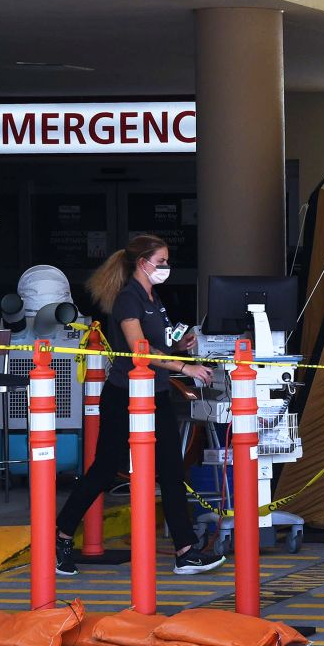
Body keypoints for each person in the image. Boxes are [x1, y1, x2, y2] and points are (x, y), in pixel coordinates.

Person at [56, 234, 225, 576]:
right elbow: (139, 351)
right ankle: (59, 535)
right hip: (125, 395)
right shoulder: (127, 300)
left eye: (166, 261)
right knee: (104, 470)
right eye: (160, 262)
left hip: (156, 393)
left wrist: (182, 348)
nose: (165, 268)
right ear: (141, 263)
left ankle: (186, 550)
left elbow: (157, 346)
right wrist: (184, 367)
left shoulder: (153, 297)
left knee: (173, 471)